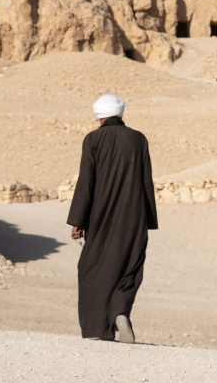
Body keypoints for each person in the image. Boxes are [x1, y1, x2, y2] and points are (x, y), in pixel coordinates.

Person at [67, 94, 158, 343]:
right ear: (120, 114)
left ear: (99, 116)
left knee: (92, 268)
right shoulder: (139, 139)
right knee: (129, 267)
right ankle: (119, 312)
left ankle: (97, 329)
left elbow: (87, 181)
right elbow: (146, 179)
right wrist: (149, 218)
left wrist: (78, 220)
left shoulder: (93, 139)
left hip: (101, 217)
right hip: (135, 216)